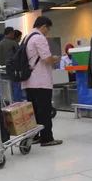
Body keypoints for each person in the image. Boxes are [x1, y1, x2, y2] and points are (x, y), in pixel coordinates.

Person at [22, 16, 63, 147]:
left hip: (28, 81)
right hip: (40, 81)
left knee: (34, 111)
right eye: (48, 29)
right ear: (44, 26)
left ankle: (35, 136)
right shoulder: (39, 38)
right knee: (44, 110)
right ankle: (47, 138)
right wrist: (56, 58)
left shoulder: (26, 38)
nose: (47, 32)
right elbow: (47, 59)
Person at [0, 27, 23, 102]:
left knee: (5, 92)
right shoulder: (14, 44)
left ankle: (7, 106)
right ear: (11, 33)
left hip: (1, 73)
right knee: (16, 90)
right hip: (13, 72)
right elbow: (20, 57)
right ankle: (16, 106)